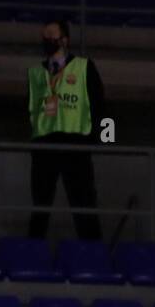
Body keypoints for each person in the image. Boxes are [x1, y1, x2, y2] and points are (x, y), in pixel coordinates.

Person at [27, 19, 106, 242]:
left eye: (51, 35)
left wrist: (92, 139)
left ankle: (94, 257)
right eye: (44, 36)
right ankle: (31, 254)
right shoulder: (35, 73)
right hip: (45, 148)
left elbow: (99, 104)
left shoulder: (84, 67)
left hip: (75, 146)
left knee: (84, 206)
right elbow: (32, 110)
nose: (46, 40)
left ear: (65, 40)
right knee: (40, 207)